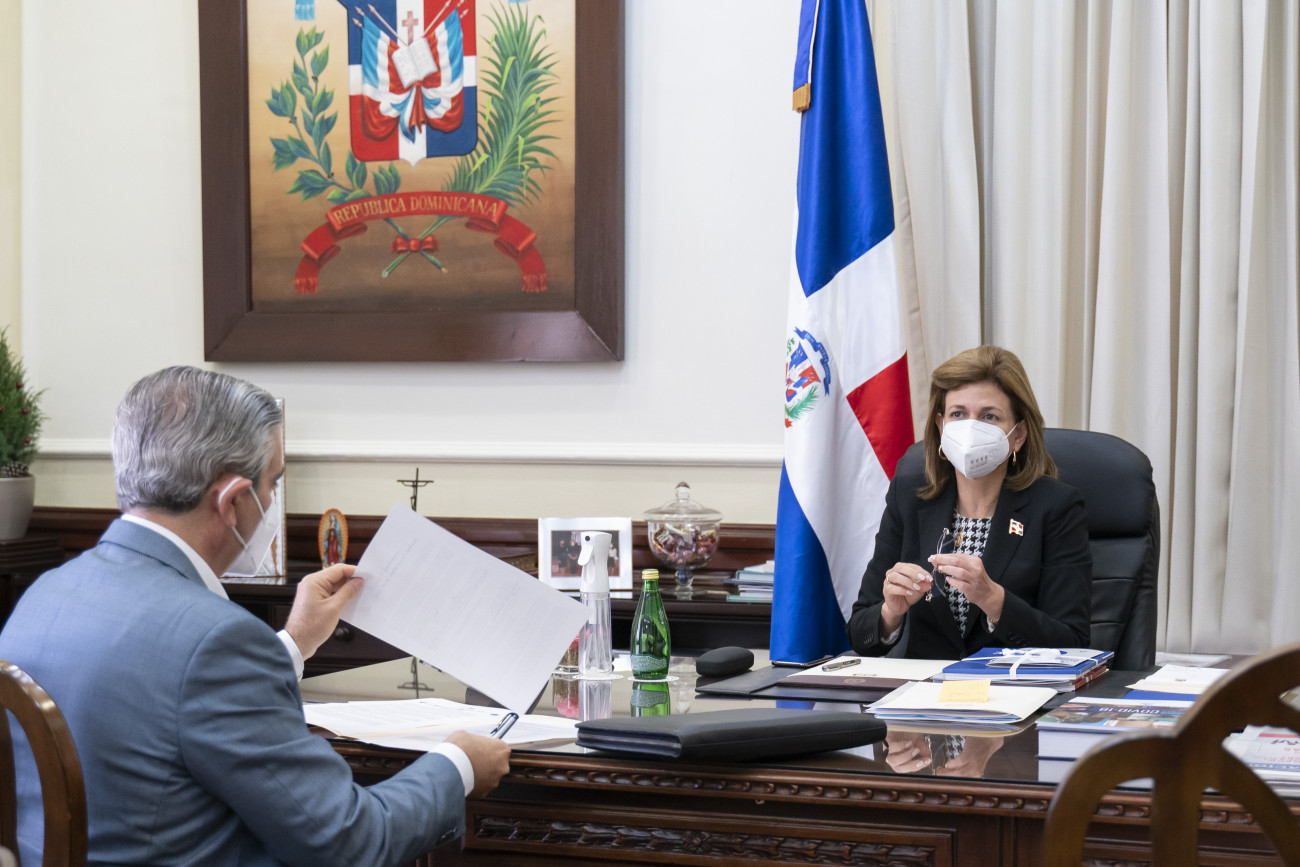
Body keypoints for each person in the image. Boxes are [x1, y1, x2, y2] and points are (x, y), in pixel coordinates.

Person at [0, 366, 511, 866]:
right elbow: (348, 842)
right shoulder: (215, 641)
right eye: (273, 482)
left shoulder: (43, 595)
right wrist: (458, 765)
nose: (271, 499)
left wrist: (293, 642)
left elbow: (166, 695)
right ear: (233, 501)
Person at [847, 345, 1091, 659]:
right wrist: (890, 613)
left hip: (1009, 685)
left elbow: (1072, 643)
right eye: (958, 414)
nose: (971, 428)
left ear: (1018, 435)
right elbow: (860, 633)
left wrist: (994, 600)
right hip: (923, 687)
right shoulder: (909, 497)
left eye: (989, 416)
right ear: (941, 426)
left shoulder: (1057, 508)